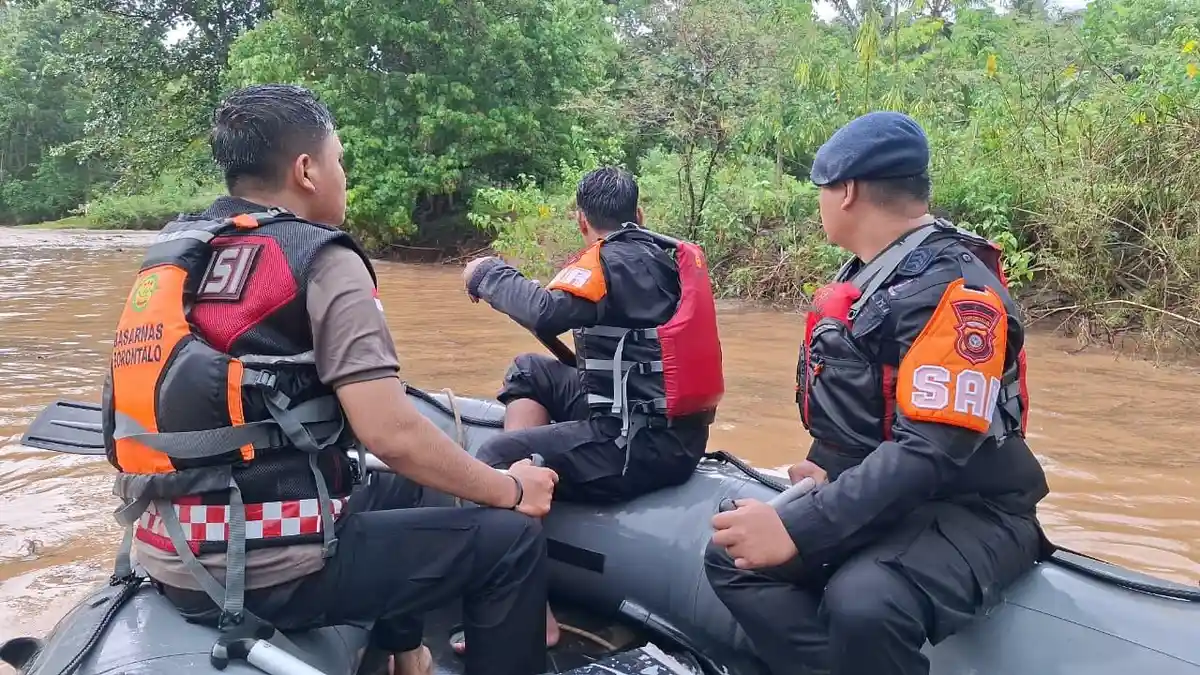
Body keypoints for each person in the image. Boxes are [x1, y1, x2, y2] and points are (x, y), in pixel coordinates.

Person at [99, 83, 559, 675]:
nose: (344, 174)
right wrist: (511, 490)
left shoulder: (179, 251)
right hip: (270, 568)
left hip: (169, 551)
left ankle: (406, 655)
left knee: (409, 487)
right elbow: (390, 433)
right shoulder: (323, 258)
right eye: (340, 159)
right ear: (307, 170)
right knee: (510, 543)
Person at [704, 111, 1050, 675]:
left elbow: (930, 451)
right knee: (732, 557)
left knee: (864, 603)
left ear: (846, 191)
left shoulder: (959, 294)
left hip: (974, 509)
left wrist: (800, 527)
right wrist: (828, 468)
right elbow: (871, 401)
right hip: (894, 495)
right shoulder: (882, 273)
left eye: (821, 190)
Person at [459, 166, 725, 649]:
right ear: (639, 214)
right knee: (529, 369)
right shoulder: (662, 256)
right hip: (655, 422)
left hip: (636, 444)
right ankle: (527, 468)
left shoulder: (613, 263)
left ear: (581, 220)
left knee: (490, 460)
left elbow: (545, 311)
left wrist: (486, 273)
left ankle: (528, 612)